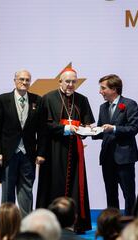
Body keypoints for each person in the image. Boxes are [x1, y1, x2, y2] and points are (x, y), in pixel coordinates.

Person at [36, 67, 94, 232]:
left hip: (75, 150)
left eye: (73, 81)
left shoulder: (82, 99)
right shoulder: (48, 98)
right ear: (60, 81)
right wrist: (65, 128)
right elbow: (44, 125)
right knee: (53, 183)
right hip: (54, 149)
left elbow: (87, 123)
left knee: (76, 183)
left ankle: (75, 223)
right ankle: (49, 224)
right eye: (67, 81)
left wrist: (86, 130)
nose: (70, 84)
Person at [0, 70, 46, 217]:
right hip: (8, 154)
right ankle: (7, 223)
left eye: (27, 80)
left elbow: (42, 130)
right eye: (21, 79)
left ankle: (26, 224)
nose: (24, 82)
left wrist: (40, 153)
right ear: (14, 80)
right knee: (8, 191)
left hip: (28, 154)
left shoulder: (37, 100)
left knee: (27, 190)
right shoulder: (2, 99)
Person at [92, 74, 138, 216]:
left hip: (124, 158)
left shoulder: (130, 104)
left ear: (114, 89)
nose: (100, 91)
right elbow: (102, 131)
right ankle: (113, 224)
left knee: (128, 194)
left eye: (103, 88)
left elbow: (133, 129)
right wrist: (88, 131)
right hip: (107, 158)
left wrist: (113, 128)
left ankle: (131, 224)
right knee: (111, 194)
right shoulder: (103, 107)